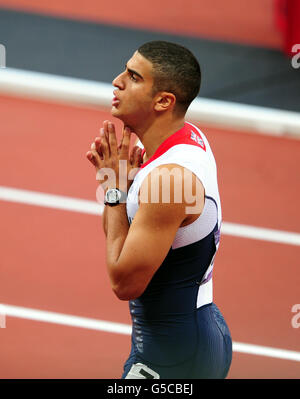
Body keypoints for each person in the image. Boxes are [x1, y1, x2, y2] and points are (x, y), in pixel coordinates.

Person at [86, 41, 232, 379]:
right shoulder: (185, 137)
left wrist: (113, 192)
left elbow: (123, 283)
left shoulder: (169, 180)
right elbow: (121, 230)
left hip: (171, 357)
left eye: (133, 77)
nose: (117, 81)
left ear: (164, 101)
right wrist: (118, 191)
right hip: (191, 333)